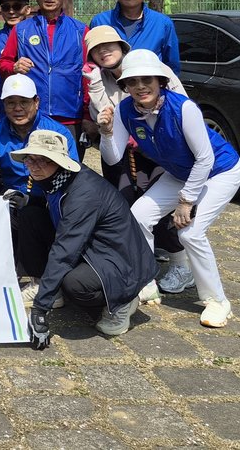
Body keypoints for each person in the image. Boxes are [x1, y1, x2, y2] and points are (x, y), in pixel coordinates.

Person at [98, 51, 240, 328]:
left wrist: (186, 202)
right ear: (125, 85)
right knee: (139, 215)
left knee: (190, 232)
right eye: (133, 81)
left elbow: (205, 159)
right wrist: (106, 133)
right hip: (179, 172)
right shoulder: (125, 110)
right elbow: (113, 157)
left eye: (147, 79)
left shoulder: (184, 108)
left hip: (220, 171)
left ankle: (217, 301)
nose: (140, 86)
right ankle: (145, 281)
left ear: (160, 81)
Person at [16, 130, 158, 349]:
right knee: (29, 216)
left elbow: (64, 251)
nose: (34, 166)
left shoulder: (83, 193)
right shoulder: (53, 178)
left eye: (43, 160)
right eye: (30, 159)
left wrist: (39, 310)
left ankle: (124, 300)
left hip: (120, 260)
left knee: (75, 283)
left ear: (59, 162)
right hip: (90, 247)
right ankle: (47, 286)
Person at [84, 39, 193, 301]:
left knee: (160, 209)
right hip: (123, 154)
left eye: (109, 45)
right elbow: (105, 117)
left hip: (159, 153)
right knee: (127, 209)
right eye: (96, 49)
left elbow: (180, 107)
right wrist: (96, 87)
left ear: (123, 47)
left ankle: (182, 265)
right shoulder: (98, 78)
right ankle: (142, 271)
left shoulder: (156, 70)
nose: (104, 51)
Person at [0, 0, 87, 139]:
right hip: (32, 117)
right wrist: (14, 67)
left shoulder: (80, 31)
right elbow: (3, 63)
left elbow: (89, 75)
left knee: (70, 158)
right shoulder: (21, 30)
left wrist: (88, 115)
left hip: (71, 117)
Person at [0, 73, 77, 204]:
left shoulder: (58, 132)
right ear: (3, 104)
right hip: (12, 199)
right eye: (11, 103)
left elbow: (71, 171)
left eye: (24, 102)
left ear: (36, 102)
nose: (18, 108)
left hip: (50, 199)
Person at [89, 0, 181, 73]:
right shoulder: (100, 22)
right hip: (108, 84)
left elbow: (172, 67)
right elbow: (91, 62)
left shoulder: (162, 23)